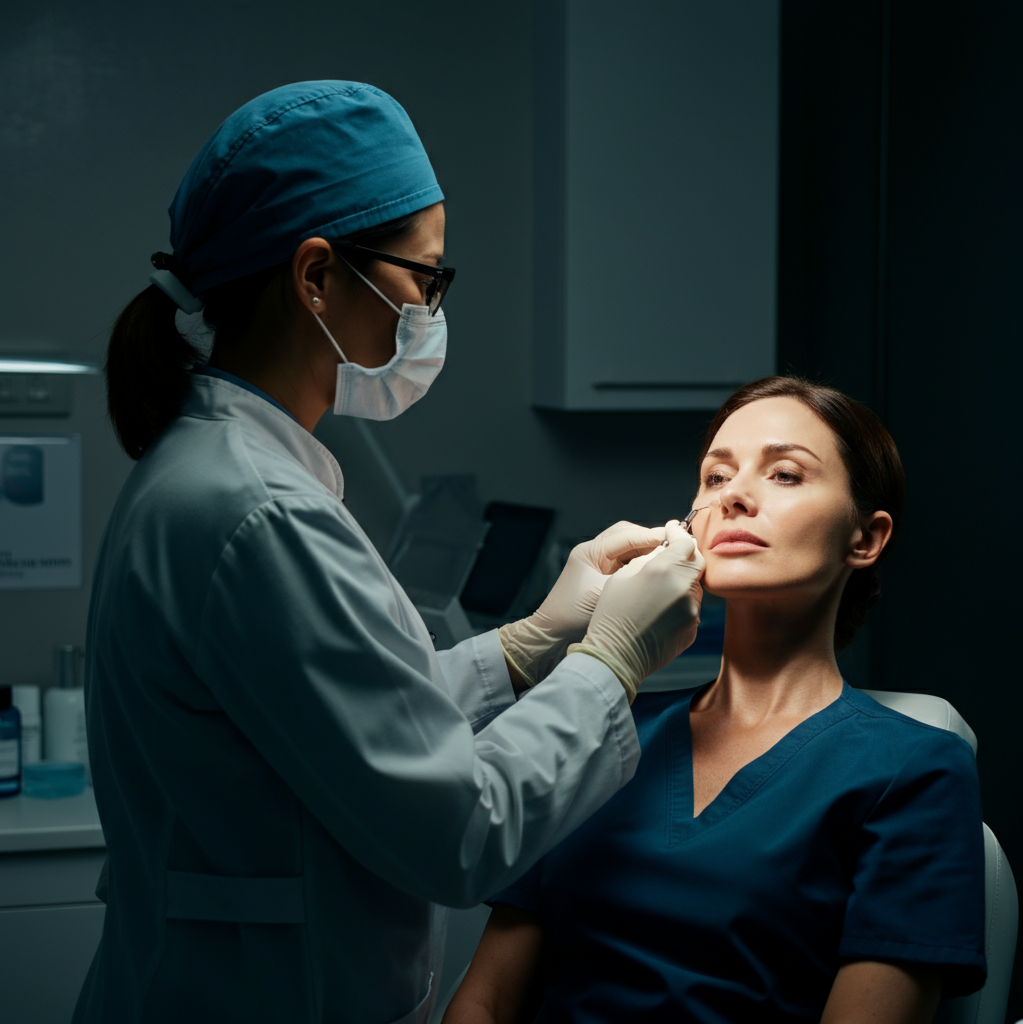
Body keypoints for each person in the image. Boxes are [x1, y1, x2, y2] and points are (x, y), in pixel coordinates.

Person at [74, 81, 706, 1024]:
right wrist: (609, 662)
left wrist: (530, 643)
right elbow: (461, 829)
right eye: (424, 278)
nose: (430, 309)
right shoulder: (257, 512)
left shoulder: (227, 475)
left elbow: (353, 723)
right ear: (316, 276)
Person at [445, 376, 986, 1024]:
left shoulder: (915, 771)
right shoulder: (597, 726)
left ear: (865, 539)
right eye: (715, 477)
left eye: (785, 474)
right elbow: (485, 999)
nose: (734, 497)